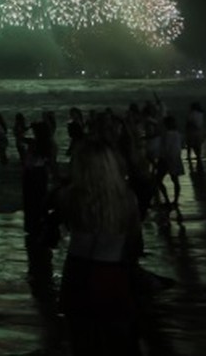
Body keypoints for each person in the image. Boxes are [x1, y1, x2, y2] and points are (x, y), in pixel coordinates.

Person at [58, 139, 142, 355]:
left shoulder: (70, 197)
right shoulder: (127, 199)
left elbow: (63, 226)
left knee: (83, 341)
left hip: (77, 270)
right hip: (111, 270)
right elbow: (134, 243)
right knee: (120, 341)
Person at [156, 115, 185, 222]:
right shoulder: (178, 134)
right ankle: (175, 200)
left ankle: (167, 200)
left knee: (158, 180)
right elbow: (181, 146)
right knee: (175, 181)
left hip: (166, 159)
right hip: (176, 158)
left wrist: (159, 160)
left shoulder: (166, 135)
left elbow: (165, 149)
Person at [185, 102, 205, 173]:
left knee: (190, 145)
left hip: (192, 131)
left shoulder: (191, 114)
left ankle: (189, 156)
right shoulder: (201, 114)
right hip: (199, 131)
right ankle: (198, 157)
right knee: (198, 145)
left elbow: (189, 123)